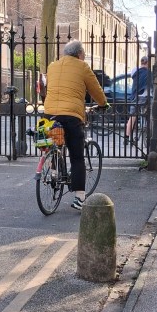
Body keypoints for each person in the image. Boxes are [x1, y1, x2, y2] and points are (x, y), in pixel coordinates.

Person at [43, 39, 108, 211]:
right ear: (80, 54)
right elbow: (95, 89)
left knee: (52, 144)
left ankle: (55, 172)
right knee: (77, 157)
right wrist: (103, 104)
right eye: (83, 55)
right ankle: (80, 198)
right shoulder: (83, 67)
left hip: (50, 114)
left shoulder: (52, 66)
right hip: (72, 115)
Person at [125, 54, 151, 142]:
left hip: (134, 96)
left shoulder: (135, 71)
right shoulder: (149, 73)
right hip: (144, 97)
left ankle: (127, 137)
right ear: (147, 63)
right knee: (147, 114)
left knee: (132, 117)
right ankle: (146, 131)